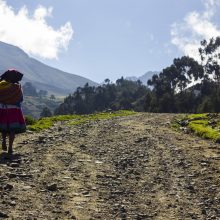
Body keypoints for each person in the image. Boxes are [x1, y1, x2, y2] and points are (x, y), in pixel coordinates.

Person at [0, 69, 26, 155]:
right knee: (12, 129)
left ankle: (3, 142)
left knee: (3, 127)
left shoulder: (1, 86)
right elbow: (21, 99)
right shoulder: (17, 87)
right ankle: (10, 148)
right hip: (14, 110)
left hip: (3, 109)